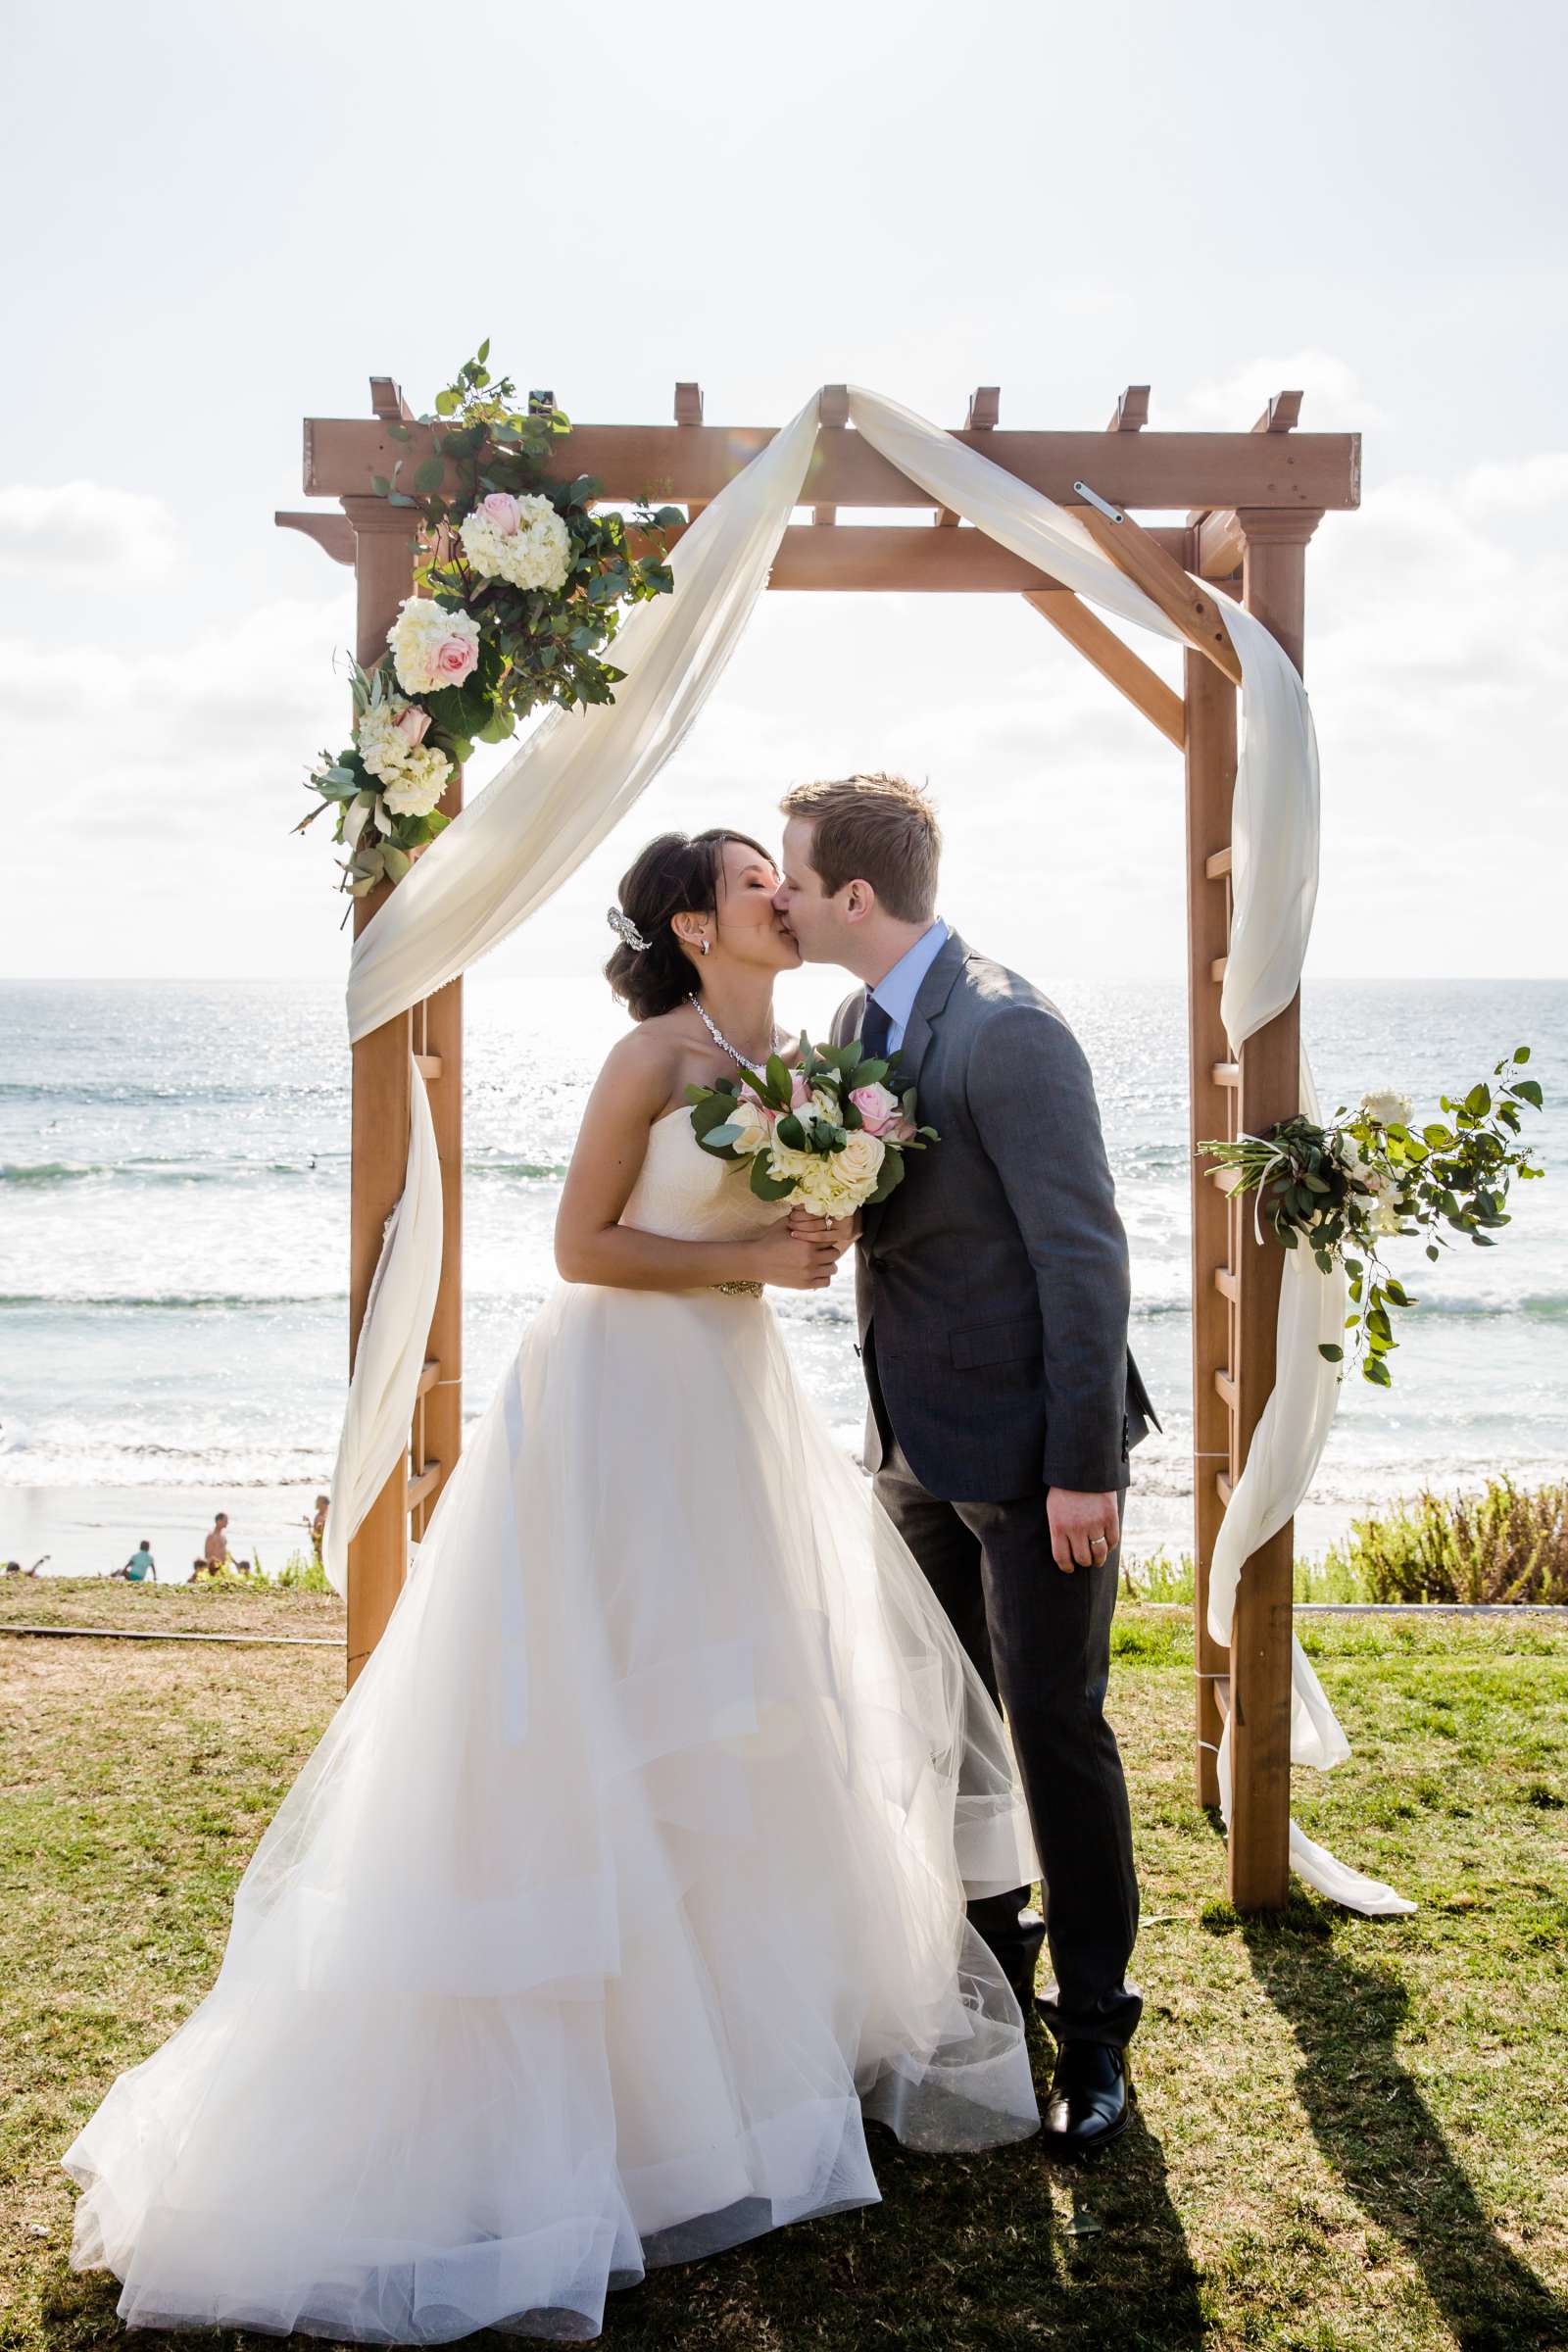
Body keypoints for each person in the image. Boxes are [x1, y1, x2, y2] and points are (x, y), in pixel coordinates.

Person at [61, 826, 1041, 2344]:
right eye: (749, 882)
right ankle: (613, 2092)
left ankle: (738, 2054)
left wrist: (814, 1236)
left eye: (781, 879)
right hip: (618, 1402)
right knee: (607, 1715)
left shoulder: (816, 1054)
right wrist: (753, 1266)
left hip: (729, 1400)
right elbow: (580, 1246)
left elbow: (784, 1234)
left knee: (751, 1713)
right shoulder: (650, 1057)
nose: (779, 895)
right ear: (691, 925)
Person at [773, 772, 1161, 2157]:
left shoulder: (1008, 1032)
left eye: (796, 878)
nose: (781, 895)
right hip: (912, 1446)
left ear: (855, 898)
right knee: (949, 1733)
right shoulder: (850, 1021)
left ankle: (1098, 2033)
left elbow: (1084, 1252)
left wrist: (1080, 1468)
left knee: (1054, 1730)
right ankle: (980, 2001)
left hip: (1036, 1458)